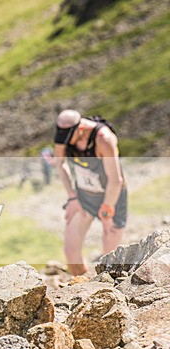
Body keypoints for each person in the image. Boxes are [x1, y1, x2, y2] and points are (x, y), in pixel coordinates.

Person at [53, 110, 127, 276]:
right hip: (84, 197)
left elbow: (116, 180)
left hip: (112, 198)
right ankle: (83, 287)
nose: (66, 144)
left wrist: (108, 208)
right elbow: (59, 163)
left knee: (110, 263)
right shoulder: (64, 137)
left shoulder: (103, 139)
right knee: (71, 254)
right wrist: (72, 196)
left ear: (80, 129)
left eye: (68, 139)